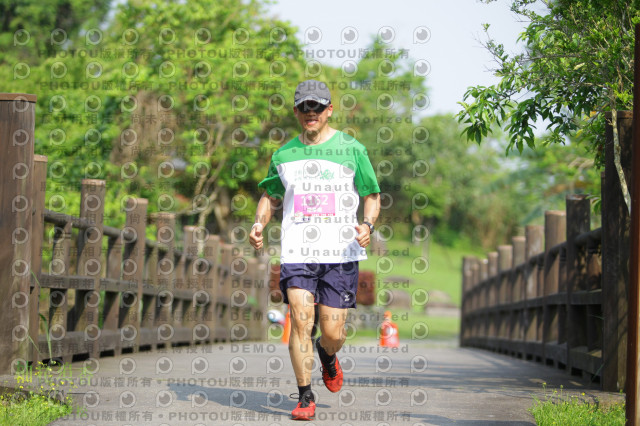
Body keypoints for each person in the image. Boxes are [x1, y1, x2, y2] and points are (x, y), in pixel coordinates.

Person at [249, 79, 380, 420]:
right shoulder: (283, 154)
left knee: (333, 332)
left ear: (329, 110)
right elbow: (270, 195)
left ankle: (327, 354)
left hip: (340, 253)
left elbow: (371, 194)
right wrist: (259, 223)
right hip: (297, 252)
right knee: (300, 320)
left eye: (317, 107)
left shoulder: (353, 149)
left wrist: (367, 225)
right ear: (296, 112)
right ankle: (305, 395)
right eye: (305, 107)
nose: (311, 113)